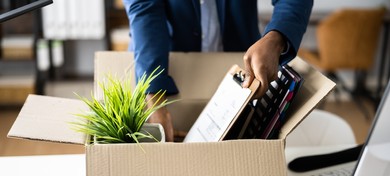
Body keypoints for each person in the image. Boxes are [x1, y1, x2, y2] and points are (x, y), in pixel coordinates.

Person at [123, 0, 313, 141]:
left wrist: (276, 38)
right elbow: (144, 11)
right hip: (165, 66)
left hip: (242, 70)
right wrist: (155, 98)